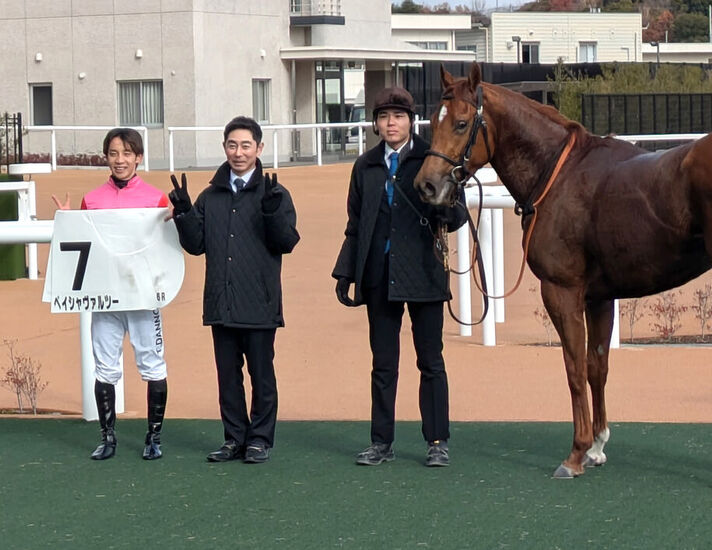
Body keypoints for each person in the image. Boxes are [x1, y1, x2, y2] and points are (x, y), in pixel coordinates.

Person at [332, 86, 467, 467]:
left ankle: (437, 440)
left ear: (411, 121)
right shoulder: (366, 166)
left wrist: (445, 205)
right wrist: (346, 272)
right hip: (378, 274)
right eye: (384, 117)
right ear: (376, 123)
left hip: (424, 271)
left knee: (431, 361)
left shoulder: (432, 157)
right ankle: (381, 442)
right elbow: (355, 223)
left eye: (399, 116)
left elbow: (457, 218)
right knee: (383, 363)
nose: (391, 123)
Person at [169, 116, 300, 464]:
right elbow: (196, 245)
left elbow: (286, 242)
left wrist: (273, 213)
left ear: (259, 148)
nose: (238, 152)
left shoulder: (274, 193)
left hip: (259, 301)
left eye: (245, 145)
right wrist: (184, 212)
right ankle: (233, 438)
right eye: (232, 145)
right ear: (224, 147)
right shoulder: (210, 196)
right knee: (228, 377)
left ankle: (259, 439)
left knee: (261, 375)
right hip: (221, 302)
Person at [51, 128, 170, 461]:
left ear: (139, 158)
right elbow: (85, 246)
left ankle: (153, 437)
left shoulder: (157, 198)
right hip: (105, 297)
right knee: (105, 368)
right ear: (107, 157)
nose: (120, 160)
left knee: (152, 365)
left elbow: (168, 247)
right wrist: (69, 221)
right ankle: (107, 438)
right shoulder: (93, 199)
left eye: (127, 153)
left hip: (144, 297)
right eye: (114, 153)